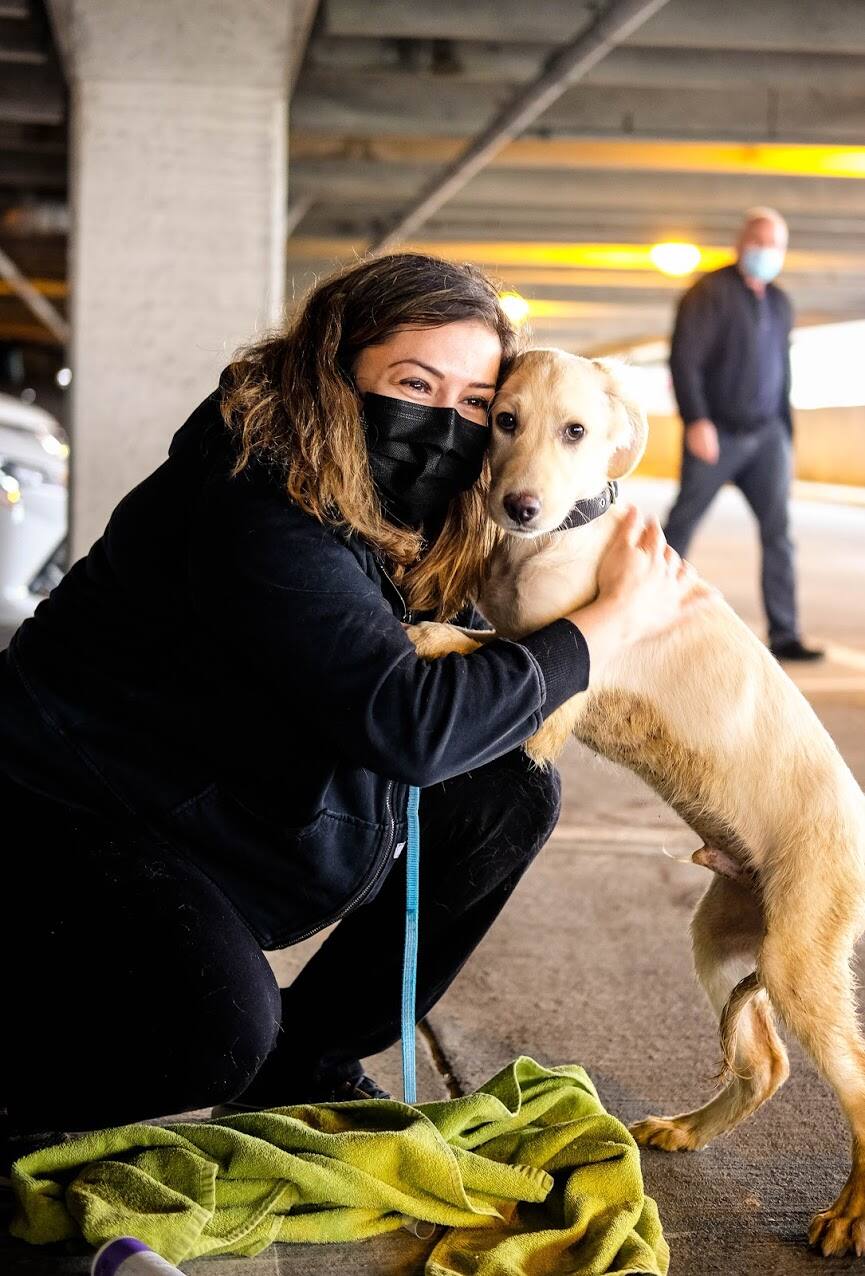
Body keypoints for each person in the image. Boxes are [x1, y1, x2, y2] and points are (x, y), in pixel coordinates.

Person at [0, 252, 709, 1166]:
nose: (445, 422)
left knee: (503, 791)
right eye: (414, 384)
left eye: (473, 403)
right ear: (333, 371)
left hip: (205, 786)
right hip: (66, 808)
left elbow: (453, 693)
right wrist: (605, 624)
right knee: (213, 1027)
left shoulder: (396, 498)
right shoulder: (257, 495)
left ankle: (307, 1063)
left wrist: (723, 814)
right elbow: (407, 723)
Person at [663, 206, 823, 662]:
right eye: (760, 241)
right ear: (741, 243)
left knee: (779, 535)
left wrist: (786, 435)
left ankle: (785, 634)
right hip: (717, 434)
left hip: (768, 436)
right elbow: (685, 359)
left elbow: (783, 371)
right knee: (680, 527)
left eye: (776, 245)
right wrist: (697, 420)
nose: (767, 251)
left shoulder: (780, 302)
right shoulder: (708, 292)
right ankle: (645, 616)